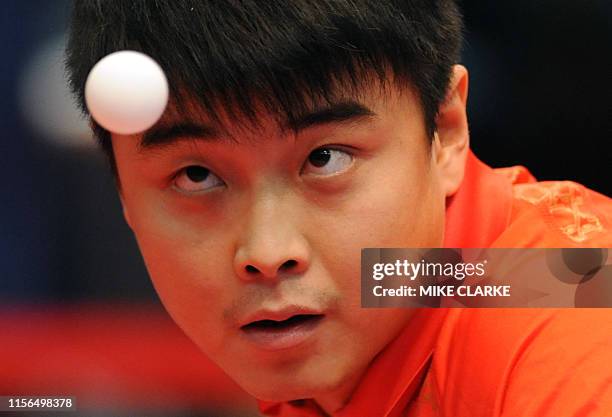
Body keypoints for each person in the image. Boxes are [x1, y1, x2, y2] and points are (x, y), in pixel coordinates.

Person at [64, 1, 612, 416]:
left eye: (325, 158)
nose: (267, 252)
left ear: (445, 132)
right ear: (122, 193)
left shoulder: (569, 296)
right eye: (197, 176)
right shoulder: (392, 305)